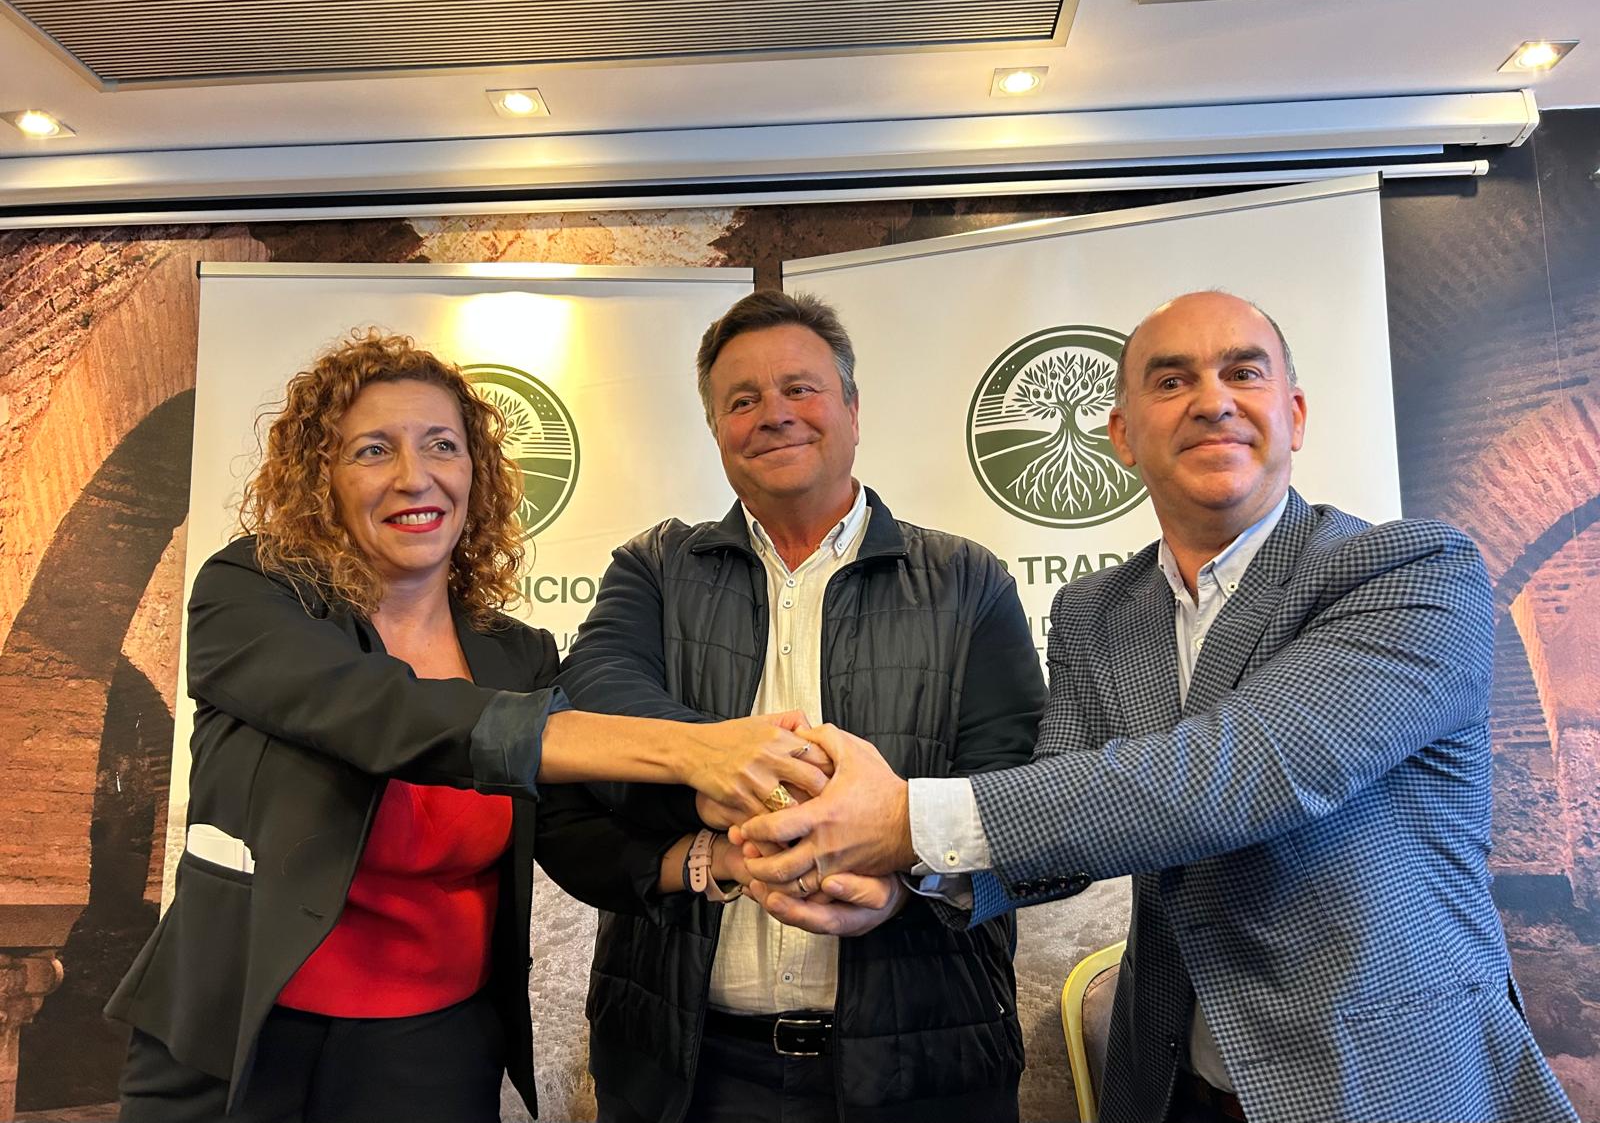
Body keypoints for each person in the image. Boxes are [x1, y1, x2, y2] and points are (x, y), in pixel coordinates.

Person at [738, 291, 1579, 1123]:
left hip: (1381, 1085)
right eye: (1172, 381)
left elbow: (1241, 770)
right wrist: (909, 881)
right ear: (1122, 435)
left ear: (1293, 414)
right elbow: (1062, 814)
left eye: (1242, 373)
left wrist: (904, 819)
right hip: (1172, 1085)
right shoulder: (1096, 609)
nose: (1213, 401)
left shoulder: (1412, 570)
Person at [106, 330, 826, 1123]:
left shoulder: (516, 653)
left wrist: (717, 857)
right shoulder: (250, 592)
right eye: (372, 450)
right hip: (236, 1040)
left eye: (442, 445)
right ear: (321, 479)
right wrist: (690, 748)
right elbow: (388, 712)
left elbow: (569, 829)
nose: (414, 475)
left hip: (436, 1052)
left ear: (474, 473)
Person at [551, 290, 1045, 1123]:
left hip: (924, 1064)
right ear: (716, 430)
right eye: (742, 400)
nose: (773, 414)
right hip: (684, 1066)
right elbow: (596, 696)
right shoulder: (654, 567)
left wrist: (907, 877)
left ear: (852, 408)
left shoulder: (969, 580)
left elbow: (1019, 789)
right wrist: (726, 766)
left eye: (800, 389)